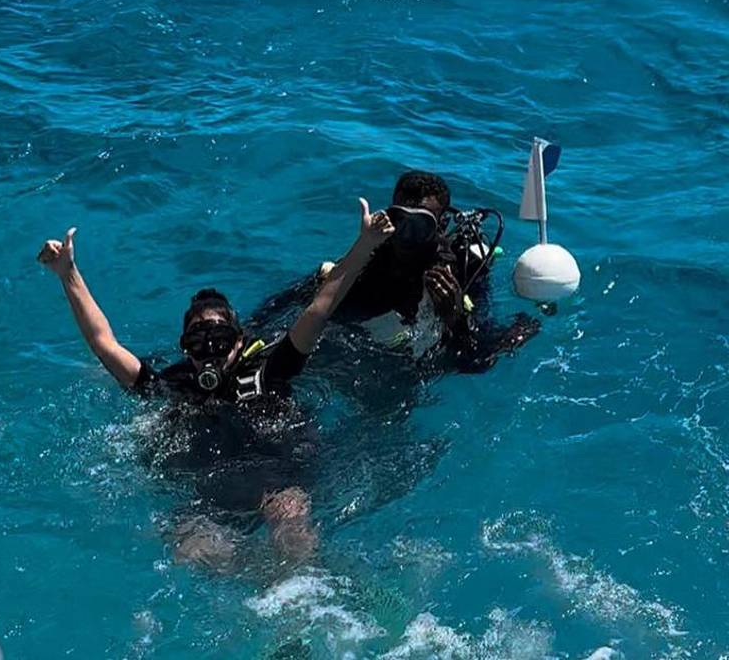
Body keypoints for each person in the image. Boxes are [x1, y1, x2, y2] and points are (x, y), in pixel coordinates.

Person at [37, 198, 394, 568]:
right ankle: (258, 577)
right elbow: (104, 343)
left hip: (278, 482)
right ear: (184, 348)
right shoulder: (171, 385)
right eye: (196, 343)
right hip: (213, 493)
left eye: (220, 341)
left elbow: (320, 308)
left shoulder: (270, 369)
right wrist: (68, 274)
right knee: (189, 549)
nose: (209, 352)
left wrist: (365, 244)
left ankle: (302, 597)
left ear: (239, 341)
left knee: (292, 533)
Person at [251, 171, 539, 374]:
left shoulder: (459, 270)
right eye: (400, 219)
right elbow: (285, 314)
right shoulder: (366, 265)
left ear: (440, 227)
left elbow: (474, 362)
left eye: (421, 224)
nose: (407, 234)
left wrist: (455, 318)